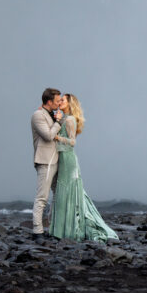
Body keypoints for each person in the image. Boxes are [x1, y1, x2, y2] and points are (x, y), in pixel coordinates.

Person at [49, 93, 118, 242]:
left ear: (69, 103)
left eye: (63, 100)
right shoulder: (62, 118)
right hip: (62, 158)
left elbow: (72, 142)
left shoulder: (70, 120)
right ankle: (60, 229)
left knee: (69, 191)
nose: (59, 101)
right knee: (63, 193)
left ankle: (71, 230)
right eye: (59, 99)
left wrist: (56, 137)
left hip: (68, 159)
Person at [31, 88, 63, 237]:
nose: (59, 103)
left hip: (56, 160)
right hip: (44, 161)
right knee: (42, 197)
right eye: (57, 101)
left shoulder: (51, 114)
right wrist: (58, 122)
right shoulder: (38, 115)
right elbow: (48, 136)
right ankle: (37, 231)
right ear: (49, 101)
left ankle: (52, 227)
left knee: (57, 195)